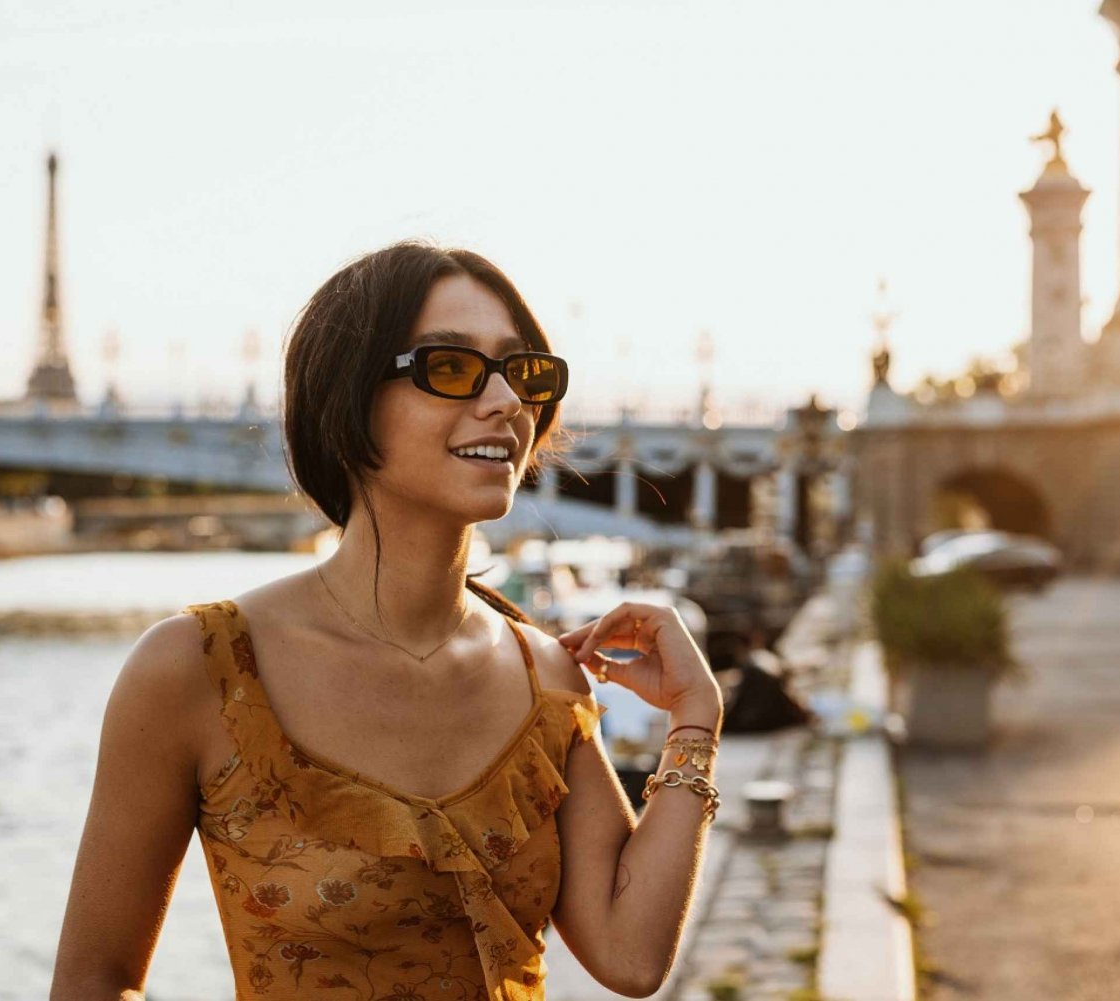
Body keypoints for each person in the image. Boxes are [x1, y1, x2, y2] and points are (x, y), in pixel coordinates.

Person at [50, 241, 725, 1000]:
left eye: (522, 370)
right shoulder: (202, 668)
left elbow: (631, 957)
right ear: (346, 397)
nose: (505, 400)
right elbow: (93, 981)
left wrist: (695, 720)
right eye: (451, 367)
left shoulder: (549, 679)